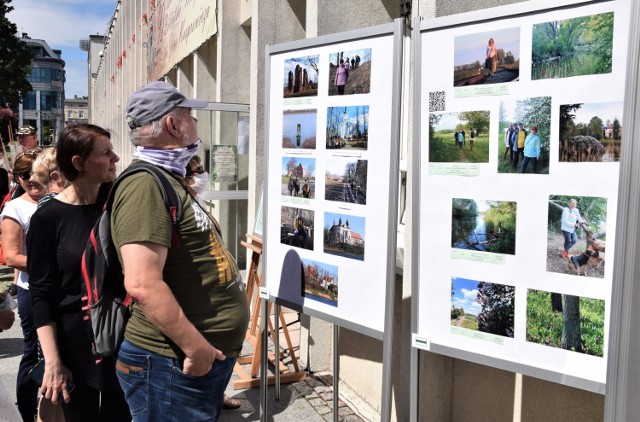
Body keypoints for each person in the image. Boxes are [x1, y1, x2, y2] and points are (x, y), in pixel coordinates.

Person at [114, 81, 249, 421]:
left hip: (186, 364)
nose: (197, 124)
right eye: (190, 116)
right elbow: (142, 284)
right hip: (170, 363)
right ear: (173, 125)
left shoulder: (167, 178)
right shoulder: (144, 185)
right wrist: (195, 347)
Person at [27, 124, 130, 420]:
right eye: (106, 153)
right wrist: (53, 361)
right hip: (72, 342)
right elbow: (41, 296)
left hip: (121, 336)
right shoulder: (48, 218)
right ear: (78, 163)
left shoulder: (118, 206)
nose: (116, 158)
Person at [0, 148, 44, 421]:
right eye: (24, 175)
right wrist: (55, 267)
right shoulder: (15, 207)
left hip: (69, 292)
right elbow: (13, 256)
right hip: (33, 290)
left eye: (35, 173)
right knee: (34, 351)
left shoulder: (65, 201)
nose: (31, 179)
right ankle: (26, 412)